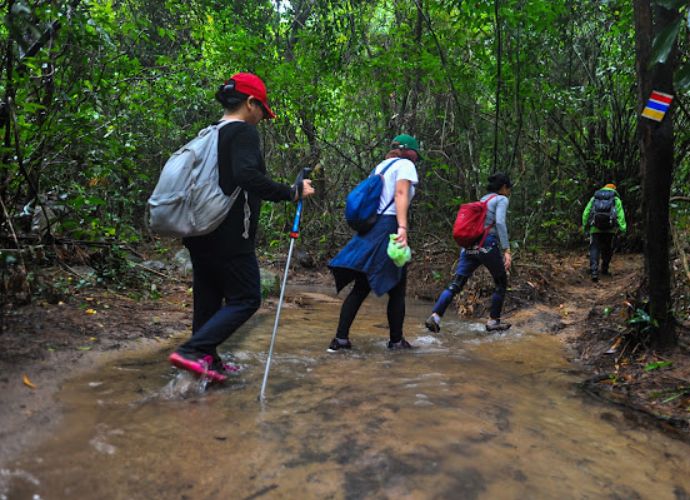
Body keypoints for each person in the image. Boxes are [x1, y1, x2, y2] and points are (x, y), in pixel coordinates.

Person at [168, 72, 315, 381]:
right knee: (247, 297)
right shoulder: (243, 133)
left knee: (208, 299)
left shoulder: (208, 133)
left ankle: (209, 360)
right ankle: (192, 351)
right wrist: (291, 192)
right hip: (230, 233)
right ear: (250, 103)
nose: (262, 117)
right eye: (262, 109)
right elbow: (247, 176)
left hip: (198, 231)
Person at [327, 134, 421, 352]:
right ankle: (396, 341)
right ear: (409, 151)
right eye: (416, 154)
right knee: (397, 287)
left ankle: (340, 340)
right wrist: (402, 228)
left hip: (371, 228)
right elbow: (400, 193)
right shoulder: (405, 165)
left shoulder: (381, 166)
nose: (417, 159)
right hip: (388, 227)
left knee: (361, 286)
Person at [425, 173, 513, 333]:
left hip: (468, 246)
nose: (509, 192)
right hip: (486, 245)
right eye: (508, 189)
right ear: (504, 187)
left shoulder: (482, 201)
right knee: (501, 282)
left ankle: (435, 316)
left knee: (456, 283)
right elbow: (500, 222)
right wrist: (506, 249)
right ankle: (493, 321)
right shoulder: (501, 199)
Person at [582, 183, 626, 282]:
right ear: (614, 190)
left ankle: (594, 271)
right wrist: (623, 228)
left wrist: (585, 226)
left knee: (594, 248)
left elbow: (586, 212)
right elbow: (620, 214)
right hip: (609, 229)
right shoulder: (615, 200)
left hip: (595, 228)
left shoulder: (594, 199)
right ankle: (605, 269)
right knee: (607, 248)